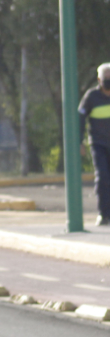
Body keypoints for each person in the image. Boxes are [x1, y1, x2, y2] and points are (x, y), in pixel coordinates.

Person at [79, 62, 110, 226]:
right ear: (99, 79)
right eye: (106, 78)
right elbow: (80, 118)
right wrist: (79, 141)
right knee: (103, 177)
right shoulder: (91, 97)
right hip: (98, 144)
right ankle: (104, 214)